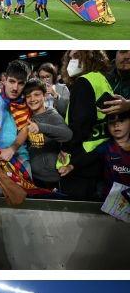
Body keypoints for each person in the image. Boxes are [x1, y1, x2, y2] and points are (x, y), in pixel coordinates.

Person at [60, 51, 114, 199]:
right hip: (100, 154)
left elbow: (80, 124)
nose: (71, 61)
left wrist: (66, 147)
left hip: (81, 161)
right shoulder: (101, 79)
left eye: (76, 56)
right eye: (70, 58)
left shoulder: (84, 82)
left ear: (89, 57)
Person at [60, 110, 130, 199]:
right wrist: (70, 166)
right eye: (111, 122)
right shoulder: (107, 147)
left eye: (121, 121)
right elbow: (90, 156)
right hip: (111, 199)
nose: (116, 125)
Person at [23, 79, 72, 190]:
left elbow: (68, 135)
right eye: (28, 96)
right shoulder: (27, 118)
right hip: (34, 177)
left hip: (53, 179)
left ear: (45, 96)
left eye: (36, 95)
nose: (32, 99)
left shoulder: (52, 115)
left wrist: (40, 127)